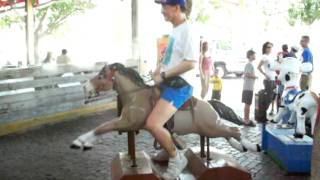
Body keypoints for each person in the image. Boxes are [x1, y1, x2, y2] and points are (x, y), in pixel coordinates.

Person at [145, 0, 198, 179]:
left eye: (164, 6)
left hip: (180, 85)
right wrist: (158, 70)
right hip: (168, 81)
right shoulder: (175, 30)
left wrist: (165, 75)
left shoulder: (188, 30)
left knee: (152, 124)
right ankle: (167, 148)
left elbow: (191, 63)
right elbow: (168, 59)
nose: (161, 11)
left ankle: (177, 158)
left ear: (176, 7)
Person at [257, 42, 276, 115]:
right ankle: (262, 114)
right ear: (265, 48)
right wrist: (265, 74)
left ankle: (263, 114)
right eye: (268, 47)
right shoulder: (264, 56)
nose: (270, 48)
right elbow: (258, 67)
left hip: (273, 79)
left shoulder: (271, 56)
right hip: (268, 80)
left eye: (271, 47)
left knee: (271, 98)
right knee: (269, 98)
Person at [242, 50, 257, 127]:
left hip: (249, 87)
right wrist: (255, 76)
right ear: (250, 56)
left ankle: (246, 118)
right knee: (247, 104)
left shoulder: (250, 64)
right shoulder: (249, 64)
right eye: (254, 55)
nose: (255, 56)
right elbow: (247, 74)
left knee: (248, 103)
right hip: (248, 87)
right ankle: (246, 120)